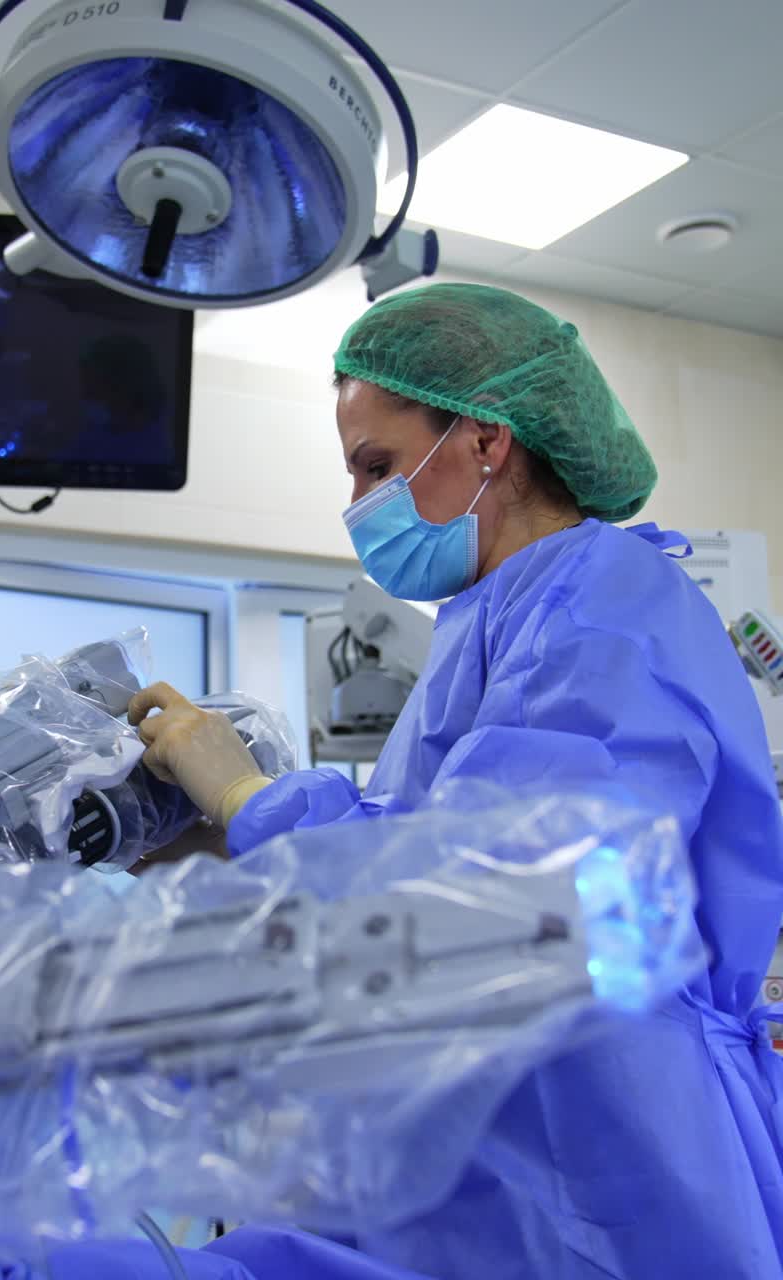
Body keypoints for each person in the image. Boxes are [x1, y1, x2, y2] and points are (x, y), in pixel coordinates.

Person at [125, 282, 783, 1279]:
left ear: (484, 443)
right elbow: (411, 838)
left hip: (604, 1138)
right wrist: (221, 834)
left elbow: (503, 883)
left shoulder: (610, 602)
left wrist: (253, 801)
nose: (356, 506)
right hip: (502, 1132)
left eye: (376, 466)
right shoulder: (490, 619)